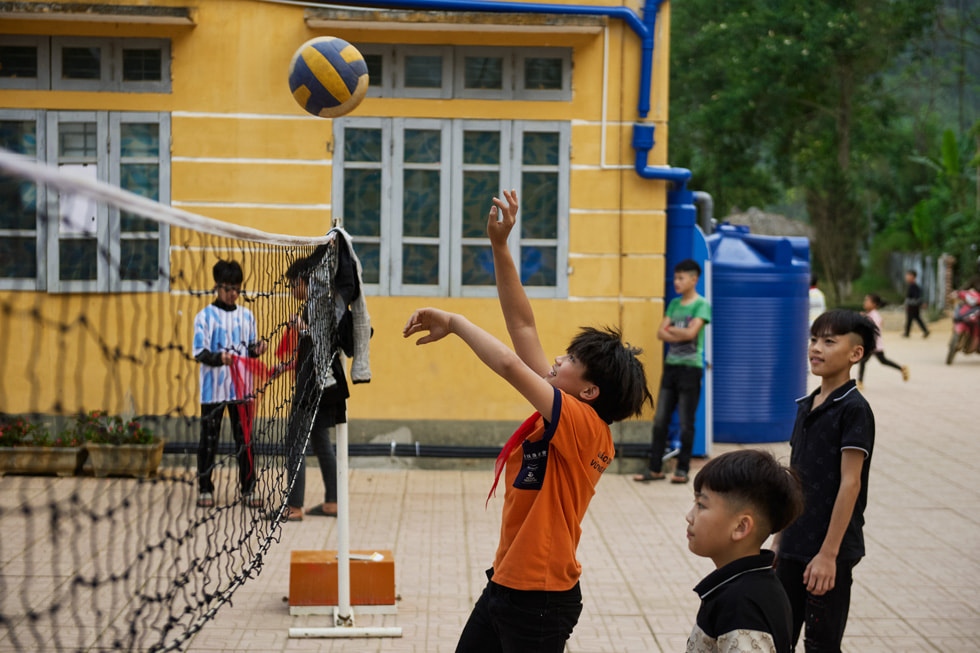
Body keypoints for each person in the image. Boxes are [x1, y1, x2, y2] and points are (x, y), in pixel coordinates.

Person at [403, 190, 652, 653]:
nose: (557, 359)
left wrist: (456, 322)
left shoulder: (581, 424)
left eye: (571, 359)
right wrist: (500, 246)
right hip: (508, 582)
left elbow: (511, 366)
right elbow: (523, 328)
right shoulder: (565, 406)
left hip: (539, 599)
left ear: (590, 390)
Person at [774, 309, 878, 652]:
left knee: (821, 644)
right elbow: (795, 475)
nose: (816, 348)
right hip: (793, 543)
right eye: (814, 339)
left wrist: (828, 555)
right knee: (778, 639)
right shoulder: (807, 404)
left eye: (829, 341)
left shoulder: (854, 409)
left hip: (829, 550)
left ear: (855, 353)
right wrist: (778, 538)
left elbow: (851, 484)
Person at [685, 449, 804, 653]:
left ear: (741, 527)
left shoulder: (742, 606)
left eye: (701, 505)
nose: (689, 516)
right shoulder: (747, 587)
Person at [193, 259, 268, 509]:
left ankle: (248, 488)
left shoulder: (247, 315)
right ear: (217, 286)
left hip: (242, 389)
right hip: (212, 390)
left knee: (245, 440)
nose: (233, 293)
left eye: (237, 288)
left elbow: (250, 349)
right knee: (209, 440)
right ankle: (205, 488)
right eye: (228, 288)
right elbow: (199, 352)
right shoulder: (204, 317)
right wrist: (220, 358)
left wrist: (258, 349)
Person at [276, 256, 344, 521]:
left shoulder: (317, 307)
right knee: (320, 441)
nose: (292, 290)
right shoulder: (320, 304)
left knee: (295, 442)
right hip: (323, 386)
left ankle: (294, 507)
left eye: (294, 284)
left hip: (311, 387)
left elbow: (324, 342)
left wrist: (303, 329)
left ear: (306, 281)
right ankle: (333, 502)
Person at [633, 258, 711, 484]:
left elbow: (689, 334)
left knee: (687, 422)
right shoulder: (675, 305)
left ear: (694, 279)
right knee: (660, 420)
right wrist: (682, 331)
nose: (676, 282)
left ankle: (682, 470)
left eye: (681, 278)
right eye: (675, 277)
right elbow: (660, 332)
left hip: (691, 369)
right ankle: (655, 468)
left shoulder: (701, 305)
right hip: (671, 367)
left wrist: (676, 332)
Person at [858, 293, 909, 389]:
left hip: (873, 344)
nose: (864, 303)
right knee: (882, 361)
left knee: (864, 361)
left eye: (867, 301)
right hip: (874, 345)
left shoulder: (875, 316)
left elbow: (874, 330)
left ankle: (860, 382)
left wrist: (870, 344)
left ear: (874, 304)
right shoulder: (871, 315)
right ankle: (902, 368)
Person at [902, 270, 929, 338]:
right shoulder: (911, 286)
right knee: (914, 319)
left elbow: (917, 297)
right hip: (912, 305)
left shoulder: (914, 286)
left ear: (912, 276)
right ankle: (924, 331)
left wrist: (921, 303)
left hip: (913, 306)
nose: (907, 278)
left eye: (908, 276)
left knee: (912, 319)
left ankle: (907, 333)